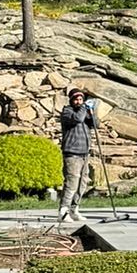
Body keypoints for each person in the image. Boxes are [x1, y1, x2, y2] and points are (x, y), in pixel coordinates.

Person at [57, 86, 97, 223]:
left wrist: (92, 114)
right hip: (72, 153)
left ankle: (74, 210)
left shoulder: (84, 112)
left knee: (82, 183)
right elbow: (78, 119)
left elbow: (95, 124)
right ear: (71, 100)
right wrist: (84, 108)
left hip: (85, 153)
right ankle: (63, 211)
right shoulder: (67, 112)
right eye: (76, 99)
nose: (79, 102)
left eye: (81, 99)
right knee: (72, 183)